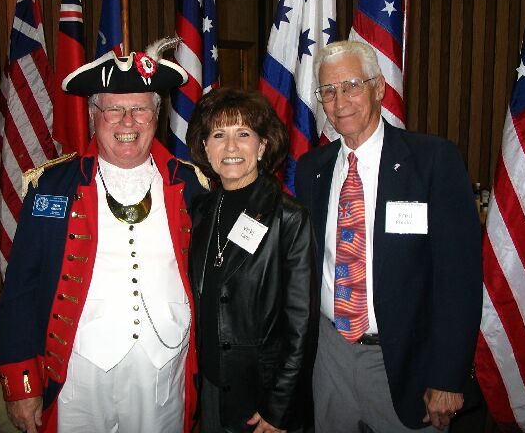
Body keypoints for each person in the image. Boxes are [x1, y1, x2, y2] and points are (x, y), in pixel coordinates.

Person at [0, 39, 206, 433]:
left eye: (140, 109)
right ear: (94, 115)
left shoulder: (192, 185)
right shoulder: (53, 187)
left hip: (165, 371)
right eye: (114, 110)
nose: (128, 122)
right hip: (79, 375)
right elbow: (21, 288)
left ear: (156, 116)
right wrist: (20, 383)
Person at [295, 40, 482, 432]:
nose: (340, 101)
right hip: (329, 356)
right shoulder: (312, 168)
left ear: (379, 87)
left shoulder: (432, 161)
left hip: (406, 363)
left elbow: (459, 279)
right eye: (328, 91)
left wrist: (448, 376)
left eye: (352, 86)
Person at [186, 87, 317, 433]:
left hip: (262, 396)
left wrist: (279, 406)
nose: (231, 147)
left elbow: (301, 327)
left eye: (243, 134)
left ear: (261, 146)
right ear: (205, 148)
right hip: (211, 386)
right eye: (219, 135)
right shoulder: (200, 212)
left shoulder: (288, 218)